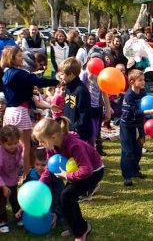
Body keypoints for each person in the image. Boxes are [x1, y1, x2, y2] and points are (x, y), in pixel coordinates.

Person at [33, 117, 104, 241]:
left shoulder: (74, 145)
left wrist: (67, 176)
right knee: (64, 198)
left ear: (53, 137)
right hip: (78, 172)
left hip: (94, 172)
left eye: (42, 141)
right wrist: (40, 185)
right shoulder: (52, 147)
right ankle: (75, 227)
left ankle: (81, 231)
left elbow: (86, 170)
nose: (40, 144)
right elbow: (50, 167)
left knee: (67, 196)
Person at [1, 46, 59, 176]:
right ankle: (25, 175)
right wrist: (56, 80)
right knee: (24, 146)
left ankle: (10, 172)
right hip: (20, 112)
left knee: (11, 146)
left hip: (9, 113)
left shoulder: (6, 74)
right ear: (12, 58)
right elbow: (37, 81)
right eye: (19, 56)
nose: (22, 58)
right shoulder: (20, 73)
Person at [120, 69, 153, 186]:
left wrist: (152, 111)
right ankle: (127, 176)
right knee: (128, 151)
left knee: (138, 149)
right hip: (127, 125)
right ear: (132, 82)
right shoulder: (129, 95)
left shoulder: (142, 93)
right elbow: (135, 111)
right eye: (140, 80)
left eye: (143, 80)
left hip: (139, 125)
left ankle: (135, 170)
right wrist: (149, 111)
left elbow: (146, 104)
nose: (143, 82)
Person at [24, 147, 64, 226]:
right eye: (37, 164)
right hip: (37, 205)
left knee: (61, 222)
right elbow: (26, 195)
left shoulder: (55, 176)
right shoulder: (31, 175)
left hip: (52, 205)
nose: (39, 168)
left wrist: (56, 212)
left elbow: (58, 196)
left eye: (43, 165)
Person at [58, 57, 92, 142]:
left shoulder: (81, 90)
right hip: (69, 131)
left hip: (79, 134)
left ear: (71, 74)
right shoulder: (68, 87)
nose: (61, 76)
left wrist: (75, 128)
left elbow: (84, 115)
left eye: (63, 74)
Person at [0, 125, 23, 233]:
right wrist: (3, 186)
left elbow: (18, 160)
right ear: (2, 143)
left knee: (14, 200)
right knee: (1, 202)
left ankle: (17, 216)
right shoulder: (0, 154)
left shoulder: (18, 148)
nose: (13, 146)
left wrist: (20, 171)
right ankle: (2, 221)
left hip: (13, 179)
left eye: (15, 143)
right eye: (9, 144)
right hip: (2, 181)